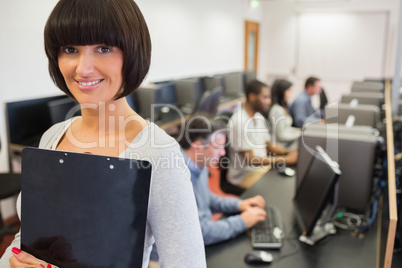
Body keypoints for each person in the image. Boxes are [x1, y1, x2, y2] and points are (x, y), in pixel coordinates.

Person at [0, 0, 206, 267]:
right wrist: (11, 262)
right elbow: (24, 240)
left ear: (132, 53)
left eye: (104, 48)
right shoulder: (52, 136)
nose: (83, 69)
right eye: (70, 49)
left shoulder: (156, 152)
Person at [178, 115, 267, 245]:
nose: (222, 153)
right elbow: (199, 233)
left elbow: (206, 198)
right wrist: (242, 222)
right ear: (198, 147)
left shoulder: (199, 163)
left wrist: (238, 204)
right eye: (217, 147)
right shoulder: (179, 180)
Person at [227, 80, 298, 189]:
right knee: (279, 189)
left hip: (261, 168)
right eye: (265, 97)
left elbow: (270, 145)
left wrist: (288, 152)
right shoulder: (239, 122)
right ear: (252, 97)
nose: (269, 101)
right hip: (244, 176)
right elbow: (251, 160)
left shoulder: (258, 117)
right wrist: (285, 159)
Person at [268, 79, 301, 150]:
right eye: (289, 91)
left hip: (288, 143)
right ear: (282, 92)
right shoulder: (277, 110)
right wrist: (299, 134)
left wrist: (298, 130)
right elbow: (281, 135)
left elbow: (286, 128)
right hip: (281, 146)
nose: (290, 94)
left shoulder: (284, 107)